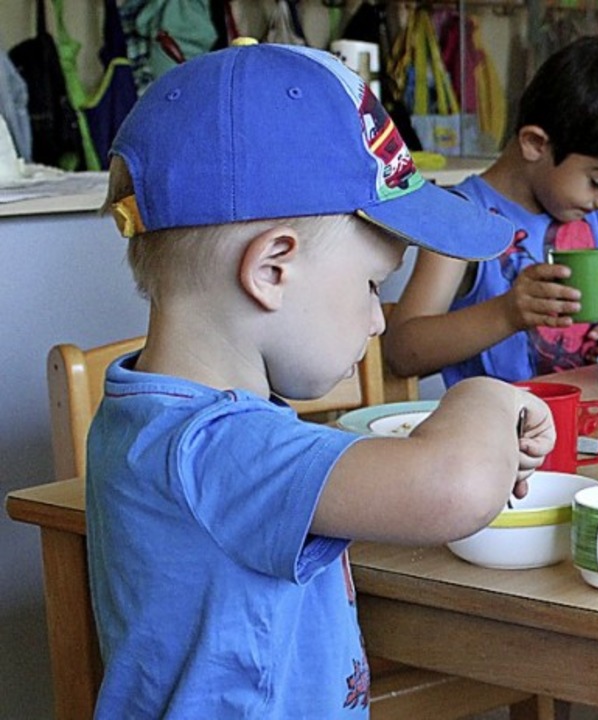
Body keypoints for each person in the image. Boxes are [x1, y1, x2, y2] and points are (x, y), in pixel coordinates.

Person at [87, 42, 556, 716]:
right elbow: (454, 487)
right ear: (273, 268)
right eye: (372, 285)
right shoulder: (217, 447)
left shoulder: (143, 415)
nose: (376, 321)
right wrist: (484, 395)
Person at [384, 33, 598, 386]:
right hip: (499, 430)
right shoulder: (463, 218)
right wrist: (507, 313)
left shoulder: (595, 215)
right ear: (536, 144)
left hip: (593, 420)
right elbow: (400, 351)